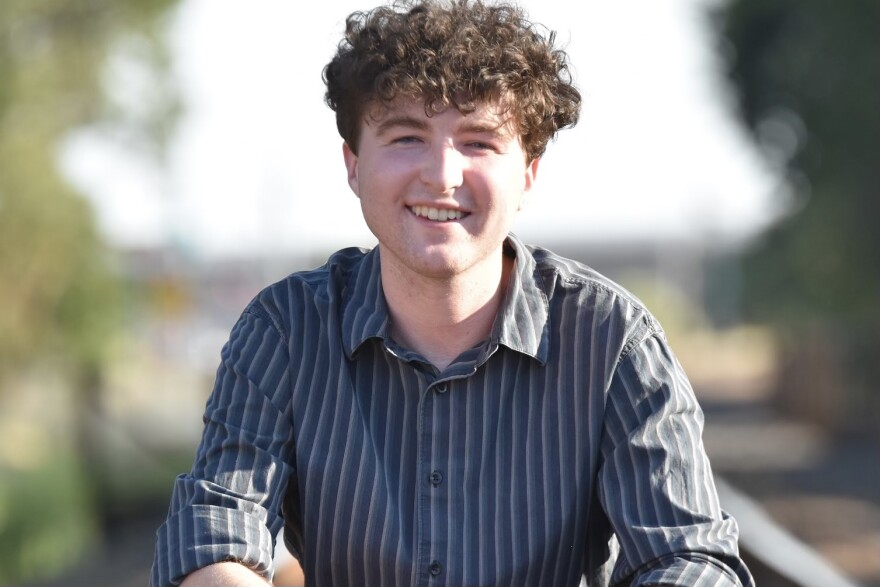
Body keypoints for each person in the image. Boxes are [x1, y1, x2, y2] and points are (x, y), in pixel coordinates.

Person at [151, 1, 754, 585]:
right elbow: (218, 528)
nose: (441, 174)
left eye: (478, 141)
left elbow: (690, 558)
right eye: (407, 137)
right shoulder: (284, 330)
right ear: (354, 164)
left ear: (528, 174)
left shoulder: (613, 340)